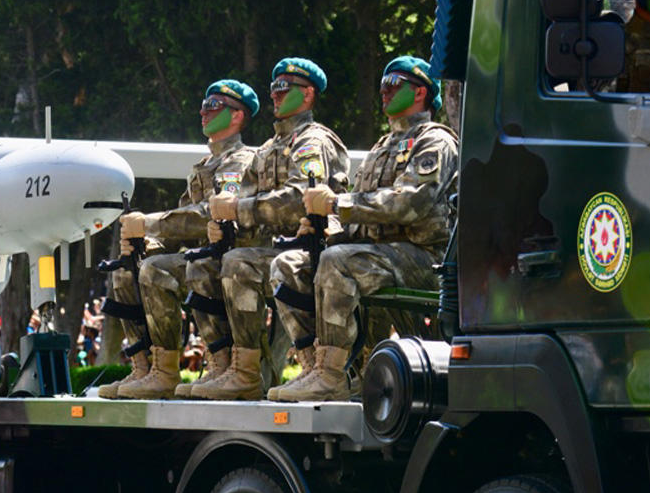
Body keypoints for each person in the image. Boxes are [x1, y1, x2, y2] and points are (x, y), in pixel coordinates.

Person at [269, 55, 459, 401]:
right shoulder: (382, 147)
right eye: (382, 86)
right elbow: (359, 211)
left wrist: (335, 205)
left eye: (392, 85)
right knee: (289, 265)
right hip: (379, 256)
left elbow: (409, 204)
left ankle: (331, 373)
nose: (383, 92)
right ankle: (319, 365)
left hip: (425, 259)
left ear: (420, 93)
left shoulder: (435, 142)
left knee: (339, 262)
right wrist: (327, 228)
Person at [187, 57, 349, 400]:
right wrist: (221, 223)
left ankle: (312, 367)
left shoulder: (311, 142)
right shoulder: (267, 149)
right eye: (273, 87)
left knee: (263, 264)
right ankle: (240, 371)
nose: (275, 95)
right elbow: (237, 196)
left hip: (314, 248)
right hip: (278, 247)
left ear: (307, 95)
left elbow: (298, 197)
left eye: (283, 88)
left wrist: (238, 210)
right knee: (214, 263)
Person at [101, 79, 259, 399]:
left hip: (232, 256)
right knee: (127, 269)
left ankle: (221, 363)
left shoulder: (240, 161)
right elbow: (182, 220)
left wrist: (148, 224)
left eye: (213, 106)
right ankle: (150, 367)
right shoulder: (204, 166)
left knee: (156, 269)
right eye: (203, 105)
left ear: (237, 116)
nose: (203, 112)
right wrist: (147, 244)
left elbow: (207, 215)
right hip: (202, 255)